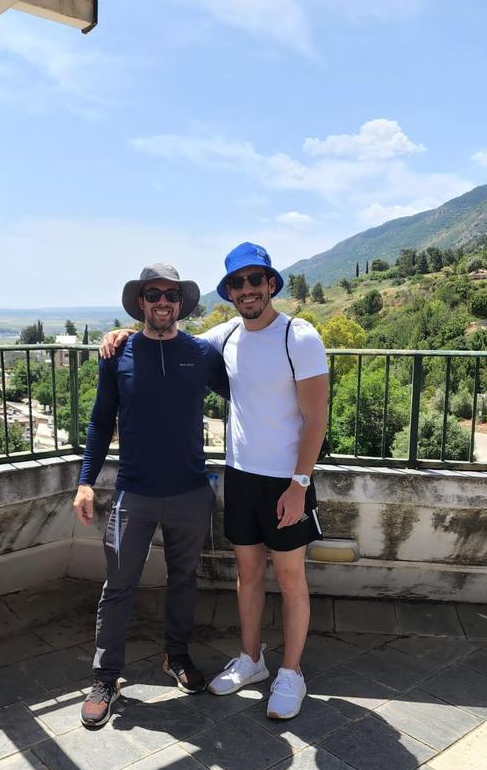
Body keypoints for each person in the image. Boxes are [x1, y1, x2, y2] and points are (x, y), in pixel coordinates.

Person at [100, 242, 328, 720]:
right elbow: (167, 338)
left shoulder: (300, 336)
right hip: (240, 475)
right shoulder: (225, 336)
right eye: (237, 283)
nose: (247, 289)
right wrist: (121, 335)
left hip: (287, 480)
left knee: (291, 578)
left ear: (271, 283)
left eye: (255, 279)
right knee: (248, 575)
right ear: (229, 292)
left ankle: (291, 672)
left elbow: (316, 418)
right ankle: (251, 660)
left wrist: (300, 483)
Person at [74, 263, 228, 729]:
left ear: (181, 303)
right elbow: (101, 420)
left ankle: (175, 656)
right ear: (141, 302)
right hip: (134, 493)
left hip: (190, 491)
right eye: (154, 294)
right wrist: (85, 481)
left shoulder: (200, 353)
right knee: (119, 585)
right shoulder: (117, 353)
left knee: (183, 579)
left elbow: (246, 392)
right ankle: (106, 678)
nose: (163, 302)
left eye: (171, 295)